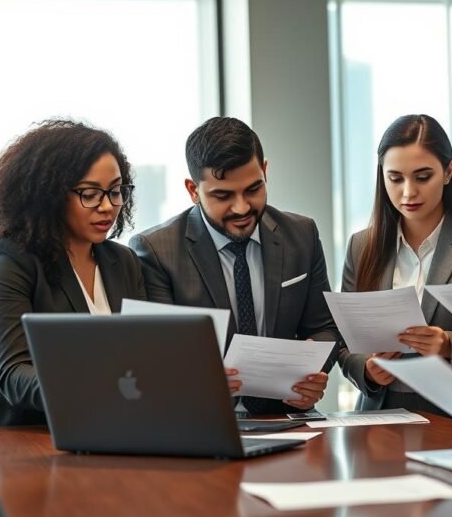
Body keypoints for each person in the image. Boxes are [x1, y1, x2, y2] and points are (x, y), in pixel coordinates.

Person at [130, 117, 339, 415]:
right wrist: (198, 383)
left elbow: (323, 328)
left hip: (288, 416)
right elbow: (155, 358)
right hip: (200, 420)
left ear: (265, 171)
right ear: (193, 190)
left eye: (253, 189)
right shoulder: (156, 251)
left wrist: (311, 375)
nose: (241, 208)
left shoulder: (301, 234)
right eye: (223, 195)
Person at [0, 120, 146, 428]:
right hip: (13, 435)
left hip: (102, 428)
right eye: (90, 194)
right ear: (51, 194)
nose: (107, 206)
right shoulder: (10, 259)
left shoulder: (123, 262)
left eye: (115, 191)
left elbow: (144, 353)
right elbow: (13, 372)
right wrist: (95, 391)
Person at [338, 114, 452, 415]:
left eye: (422, 177)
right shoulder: (362, 245)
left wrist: (448, 345)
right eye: (395, 178)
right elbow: (343, 339)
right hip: (379, 418)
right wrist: (366, 369)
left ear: (448, 172)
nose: (408, 192)